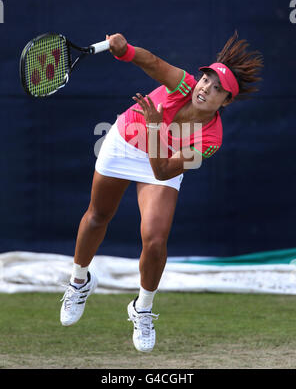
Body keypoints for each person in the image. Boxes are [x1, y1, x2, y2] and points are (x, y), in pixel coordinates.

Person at [60, 30, 263, 352]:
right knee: (98, 215)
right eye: (206, 80)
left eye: (217, 90)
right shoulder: (182, 84)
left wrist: (155, 126)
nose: (206, 89)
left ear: (226, 101)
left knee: (155, 240)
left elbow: (162, 171)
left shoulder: (210, 141)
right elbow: (151, 62)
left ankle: (142, 308)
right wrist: (124, 51)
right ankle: (79, 280)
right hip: (124, 143)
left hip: (162, 161)